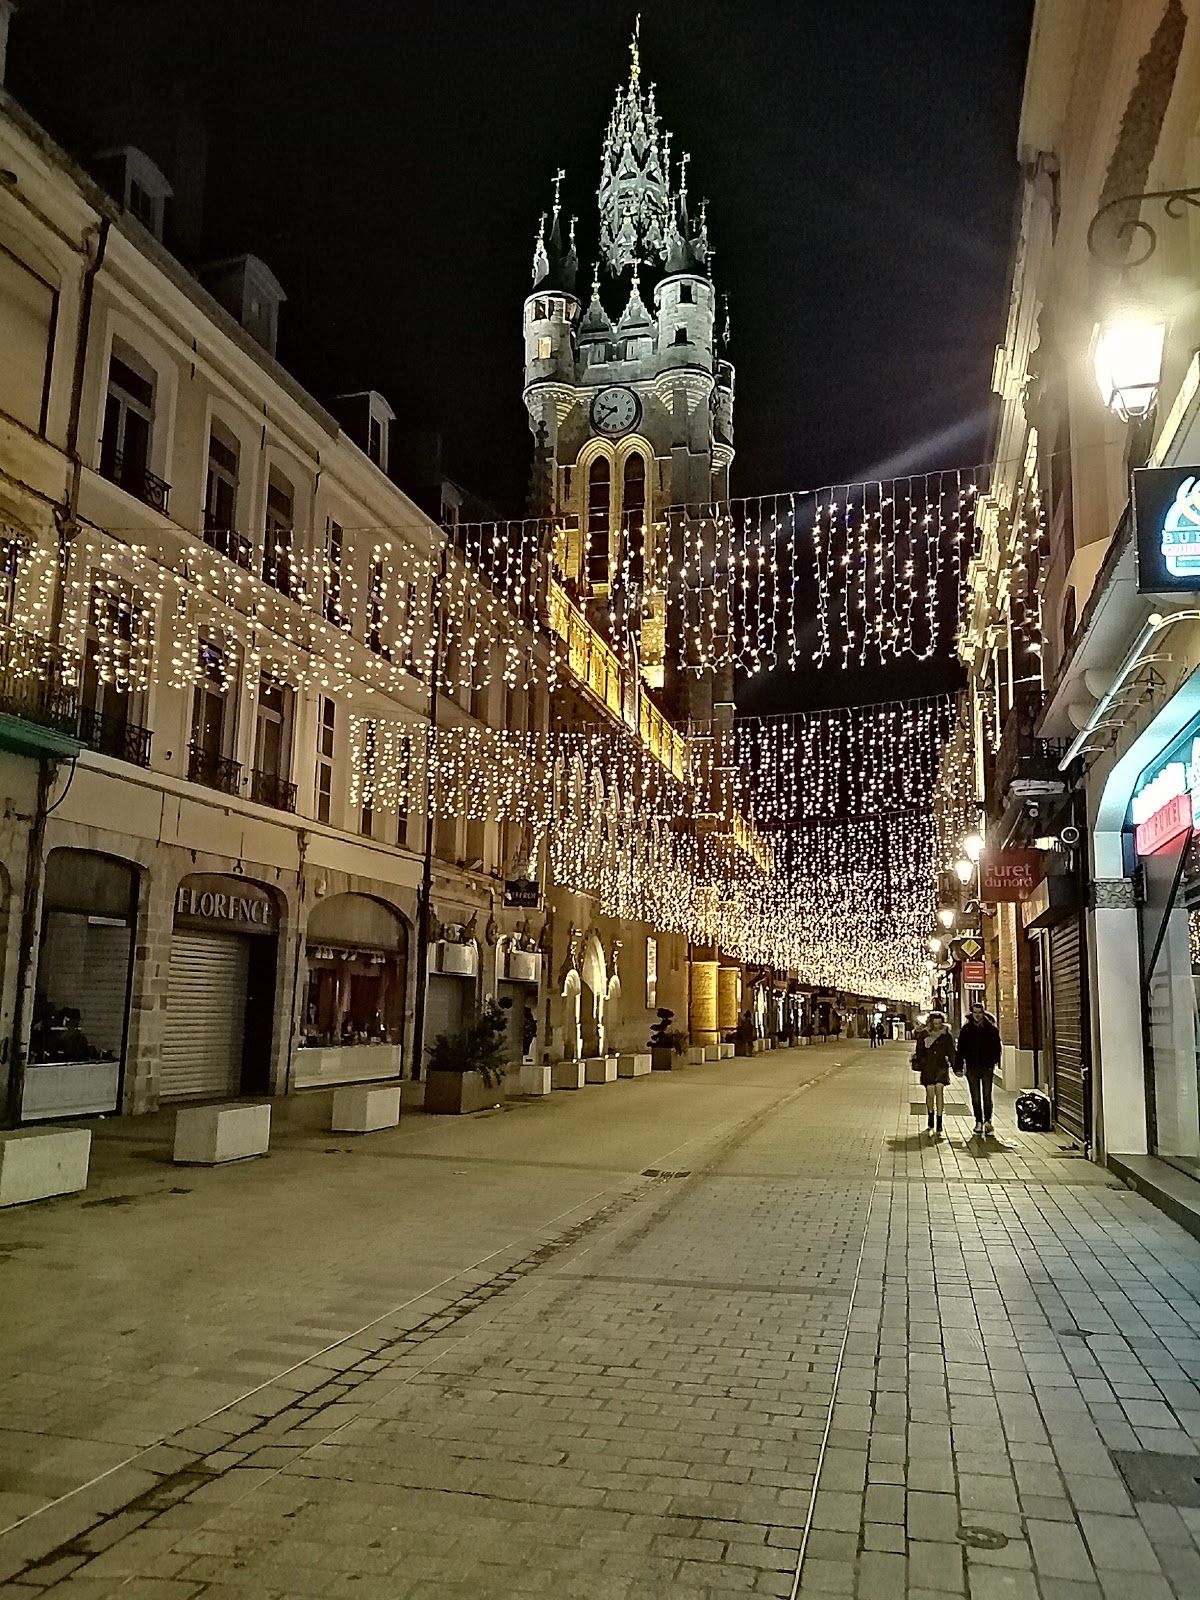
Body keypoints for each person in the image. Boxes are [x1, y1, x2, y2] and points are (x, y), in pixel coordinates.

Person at [955, 1002, 1003, 1137]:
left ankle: (988, 1121)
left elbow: (996, 1048)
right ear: (972, 1014)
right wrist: (958, 1066)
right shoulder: (966, 1030)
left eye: (979, 1012)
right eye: (975, 1013)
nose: (977, 1015)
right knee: (975, 1096)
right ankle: (978, 1121)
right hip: (972, 1067)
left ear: (983, 1013)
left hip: (987, 1067)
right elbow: (961, 1049)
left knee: (987, 1095)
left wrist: (993, 1062)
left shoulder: (991, 1030)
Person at [913, 1011, 955, 1138]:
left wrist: (956, 1066)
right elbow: (919, 1051)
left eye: (939, 1023)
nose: (937, 1026)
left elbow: (951, 1051)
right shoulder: (924, 1034)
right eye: (935, 1023)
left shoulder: (946, 1035)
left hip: (941, 1066)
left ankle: (940, 1119)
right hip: (928, 1067)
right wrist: (925, 1051)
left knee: (939, 1090)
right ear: (931, 1023)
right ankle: (931, 1116)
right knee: (930, 1093)